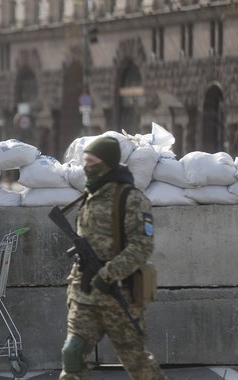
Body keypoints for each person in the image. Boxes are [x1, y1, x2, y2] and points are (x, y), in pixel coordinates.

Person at [58, 136, 167, 380]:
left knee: (136, 362)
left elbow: (141, 246)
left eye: (91, 161)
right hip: (84, 295)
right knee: (72, 355)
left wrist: (108, 274)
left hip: (119, 296)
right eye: (84, 160)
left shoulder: (131, 198)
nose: (86, 166)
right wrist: (74, 288)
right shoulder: (88, 195)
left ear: (106, 163)